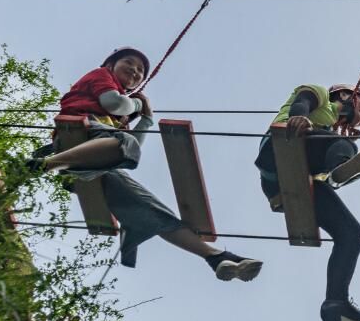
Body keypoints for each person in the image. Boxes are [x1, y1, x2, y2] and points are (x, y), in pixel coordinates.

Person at [38, 47, 262, 279]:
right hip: (75, 136)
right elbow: (113, 104)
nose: (135, 70)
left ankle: (214, 257)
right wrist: (136, 104)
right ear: (111, 64)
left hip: (95, 164)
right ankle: (48, 163)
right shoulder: (102, 75)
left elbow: (132, 148)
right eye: (129, 63)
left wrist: (146, 118)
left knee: (152, 210)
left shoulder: (117, 122)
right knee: (124, 143)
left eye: (140, 71)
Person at [255, 83, 360, 321]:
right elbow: (302, 100)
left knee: (352, 235)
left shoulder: (329, 130)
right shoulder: (320, 96)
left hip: (299, 179)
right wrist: (300, 117)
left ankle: (336, 308)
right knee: (343, 145)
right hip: (281, 148)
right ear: (345, 96)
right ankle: (341, 170)